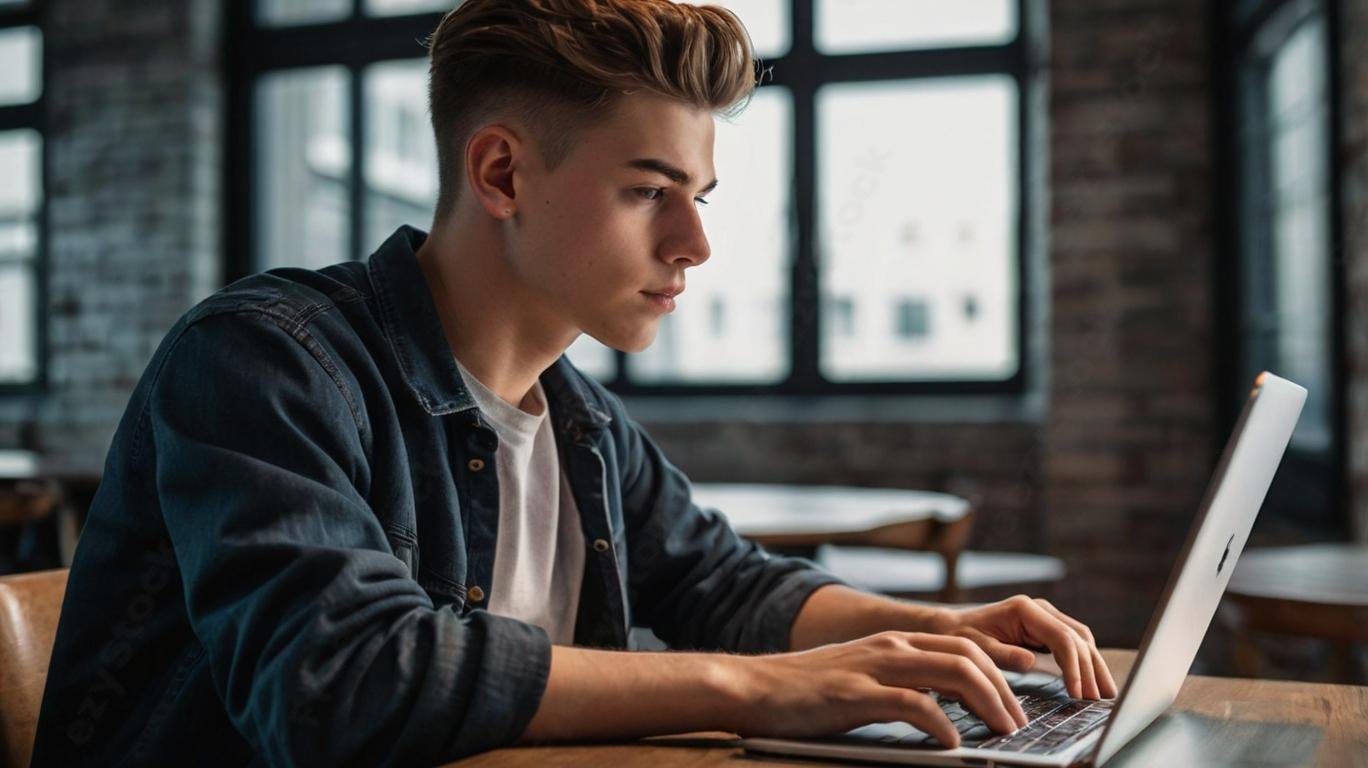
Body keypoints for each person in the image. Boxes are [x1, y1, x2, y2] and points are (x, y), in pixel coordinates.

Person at [32, 1, 1115, 765]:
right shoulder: (265, 358)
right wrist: (756, 689)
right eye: (651, 191)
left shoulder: (580, 416)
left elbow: (724, 586)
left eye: (701, 196)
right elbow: (341, 684)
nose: (695, 243)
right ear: (501, 171)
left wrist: (938, 632)